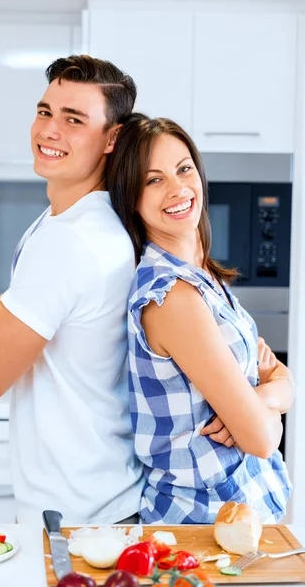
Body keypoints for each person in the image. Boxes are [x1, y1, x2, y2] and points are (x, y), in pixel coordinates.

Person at [0, 56, 144, 525]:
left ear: (113, 138)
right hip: (108, 501)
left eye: (74, 119)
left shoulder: (71, 241)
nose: (50, 130)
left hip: (80, 522)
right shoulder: (90, 220)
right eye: (45, 111)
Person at [107, 113, 295, 524]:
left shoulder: (202, 276)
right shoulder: (172, 296)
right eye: (153, 180)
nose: (177, 189)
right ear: (131, 199)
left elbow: (279, 375)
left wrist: (266, 396)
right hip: (199, 522)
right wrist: (267, 404)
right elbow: (263, 440)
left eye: (184, 169)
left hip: (236, 513)